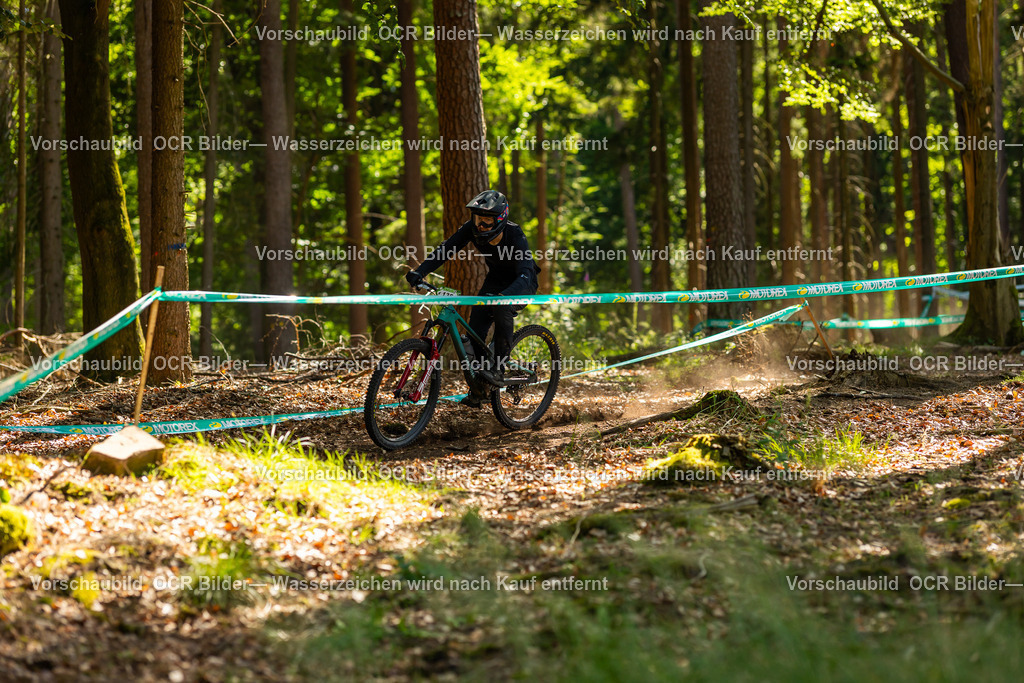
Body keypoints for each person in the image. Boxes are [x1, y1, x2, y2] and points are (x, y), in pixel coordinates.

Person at [406, 190, 540, 407]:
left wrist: (505, 297)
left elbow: (525, 272)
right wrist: (420, 272)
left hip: (522, 282)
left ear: (500, 219)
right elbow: (446, 249)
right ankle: (480, 387)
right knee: (476, 325)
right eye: (478, 219)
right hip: (495, 280)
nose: (481, 226)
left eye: (487, 221)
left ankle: (498, 367)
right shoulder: (472, 229)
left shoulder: (515, 235)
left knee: (501, 308)